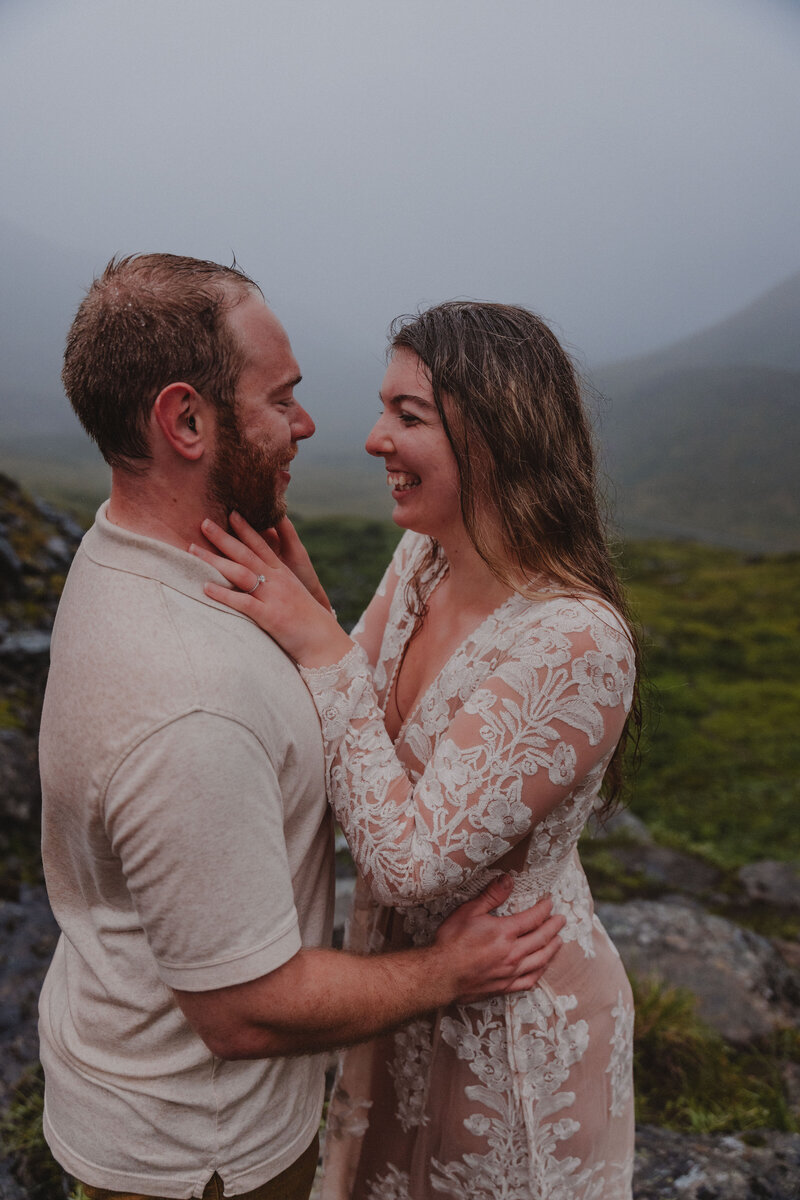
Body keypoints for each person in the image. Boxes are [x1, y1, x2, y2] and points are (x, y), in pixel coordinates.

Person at [37, 258, 565, 1200]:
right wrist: (447, 970)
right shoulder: (189, 699)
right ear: (185, 421)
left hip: (144, 1100)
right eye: (282, 398)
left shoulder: (128, 547)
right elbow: (245, 1010)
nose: (313, 427)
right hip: (203, 1156)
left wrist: (318, 622)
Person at [195, 300, 641, 1199]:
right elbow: (351, 723)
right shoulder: (423, 561)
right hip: (408, 990)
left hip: (511, 1021)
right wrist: (316, 628)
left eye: (408, 416)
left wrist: (320, 645)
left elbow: (409, 864)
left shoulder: (575, 641)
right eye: (382, 410)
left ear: (496, 434)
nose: (371, 439)